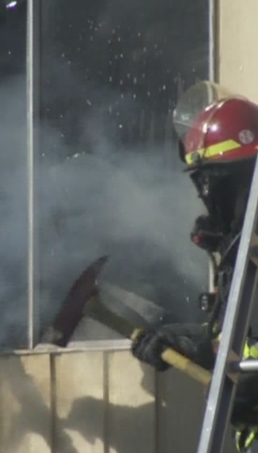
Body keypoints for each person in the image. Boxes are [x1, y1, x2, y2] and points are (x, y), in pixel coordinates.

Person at [131, 81, 258, 451]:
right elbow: (235, 342)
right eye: (201, 184)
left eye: (216, 184)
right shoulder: (240, 253)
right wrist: (182, 340)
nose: (206, 196)